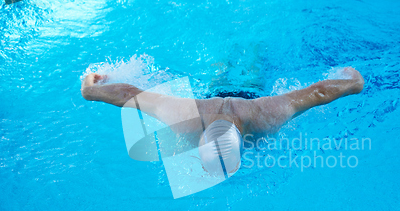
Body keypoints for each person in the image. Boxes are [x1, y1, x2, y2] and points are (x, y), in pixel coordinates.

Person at [81, 67, 364, 175]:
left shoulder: (185, 118)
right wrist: (353, 83)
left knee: (235, 68)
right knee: (249, 67)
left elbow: (130, 94)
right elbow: (318, 92)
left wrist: (91, 90)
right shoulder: (266, 116)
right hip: (248, 99)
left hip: (219, 97)